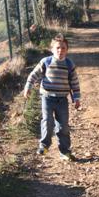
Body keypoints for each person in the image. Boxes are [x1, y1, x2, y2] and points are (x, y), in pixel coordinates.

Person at [23, 33, 81, 161]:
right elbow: (34, 74)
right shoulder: (46, 62)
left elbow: (74, 82)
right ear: (52, 49)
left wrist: (76, 98)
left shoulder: (69, 64)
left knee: (63, 126)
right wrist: (28, 86)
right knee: (47, 121)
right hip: (47, 97)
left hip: (62, 100)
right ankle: (44, 145)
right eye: (57, 48)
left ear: (67, 50)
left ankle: (65, 151)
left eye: (63, 48)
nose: (60, 50)